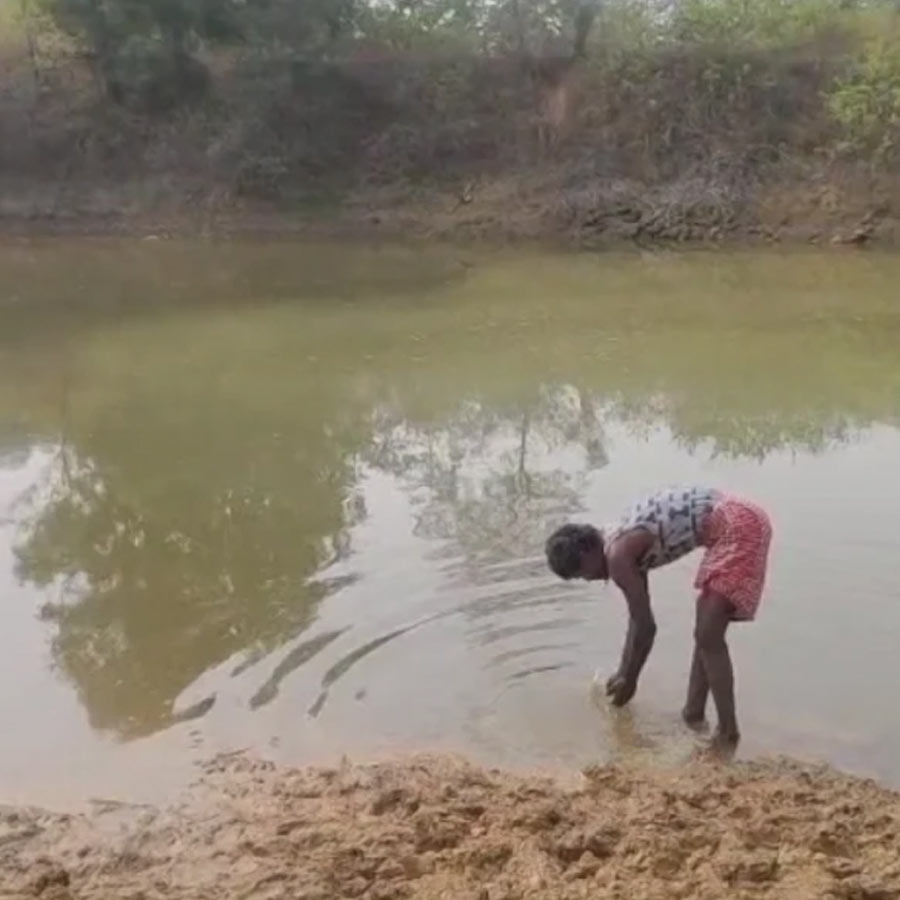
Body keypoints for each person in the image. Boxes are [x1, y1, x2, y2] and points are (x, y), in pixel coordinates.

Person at [544, 487, 772, 748]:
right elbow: (637, 618)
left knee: (709, 634)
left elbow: (646, 627)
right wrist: (623, 671)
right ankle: (693, 716)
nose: (588, 579)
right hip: (737, 519)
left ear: (586, 553)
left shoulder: (618, 556)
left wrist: (629, 679)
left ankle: (727, 733)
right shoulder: (618, 539)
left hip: (739, 525)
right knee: (706, 631)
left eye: (581, 573)